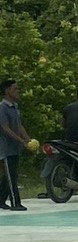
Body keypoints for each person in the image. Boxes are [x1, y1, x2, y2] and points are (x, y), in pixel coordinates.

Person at [0, 78, 33, 211]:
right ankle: (15, 203)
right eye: (15, 89)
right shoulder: (2, 108)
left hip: (15, 148)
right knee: (11, 176)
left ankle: (1, 200)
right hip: (5, 148)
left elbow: (18, 125)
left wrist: (27, 138)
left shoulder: (15, 108)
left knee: (11, 174)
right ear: (7, 90)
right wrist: (20, 140)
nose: (18, 91)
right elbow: (5, 128)